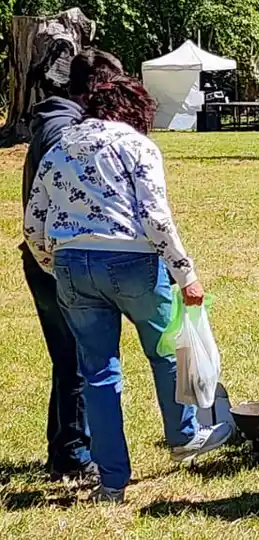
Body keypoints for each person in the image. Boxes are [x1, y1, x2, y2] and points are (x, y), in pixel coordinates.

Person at [23, 72, 231, 503]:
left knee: (96, 373)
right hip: (133, 261)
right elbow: (156, 217)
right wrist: (185, 274)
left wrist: (52, 263)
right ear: (136, 111)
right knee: (165, 351)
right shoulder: (136, 145)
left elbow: (33, 219)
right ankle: (184, 436)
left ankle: (111, 480)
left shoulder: (60, 145)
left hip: (72, 264)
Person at [18, 49, 122, 487]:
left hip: (49, 255)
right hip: (58, 258)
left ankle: (66, 447)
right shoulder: (65, 129)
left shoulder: (55, 121)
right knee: (81, 357)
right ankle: (74, 455)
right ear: (97, 88)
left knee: (71, 358)